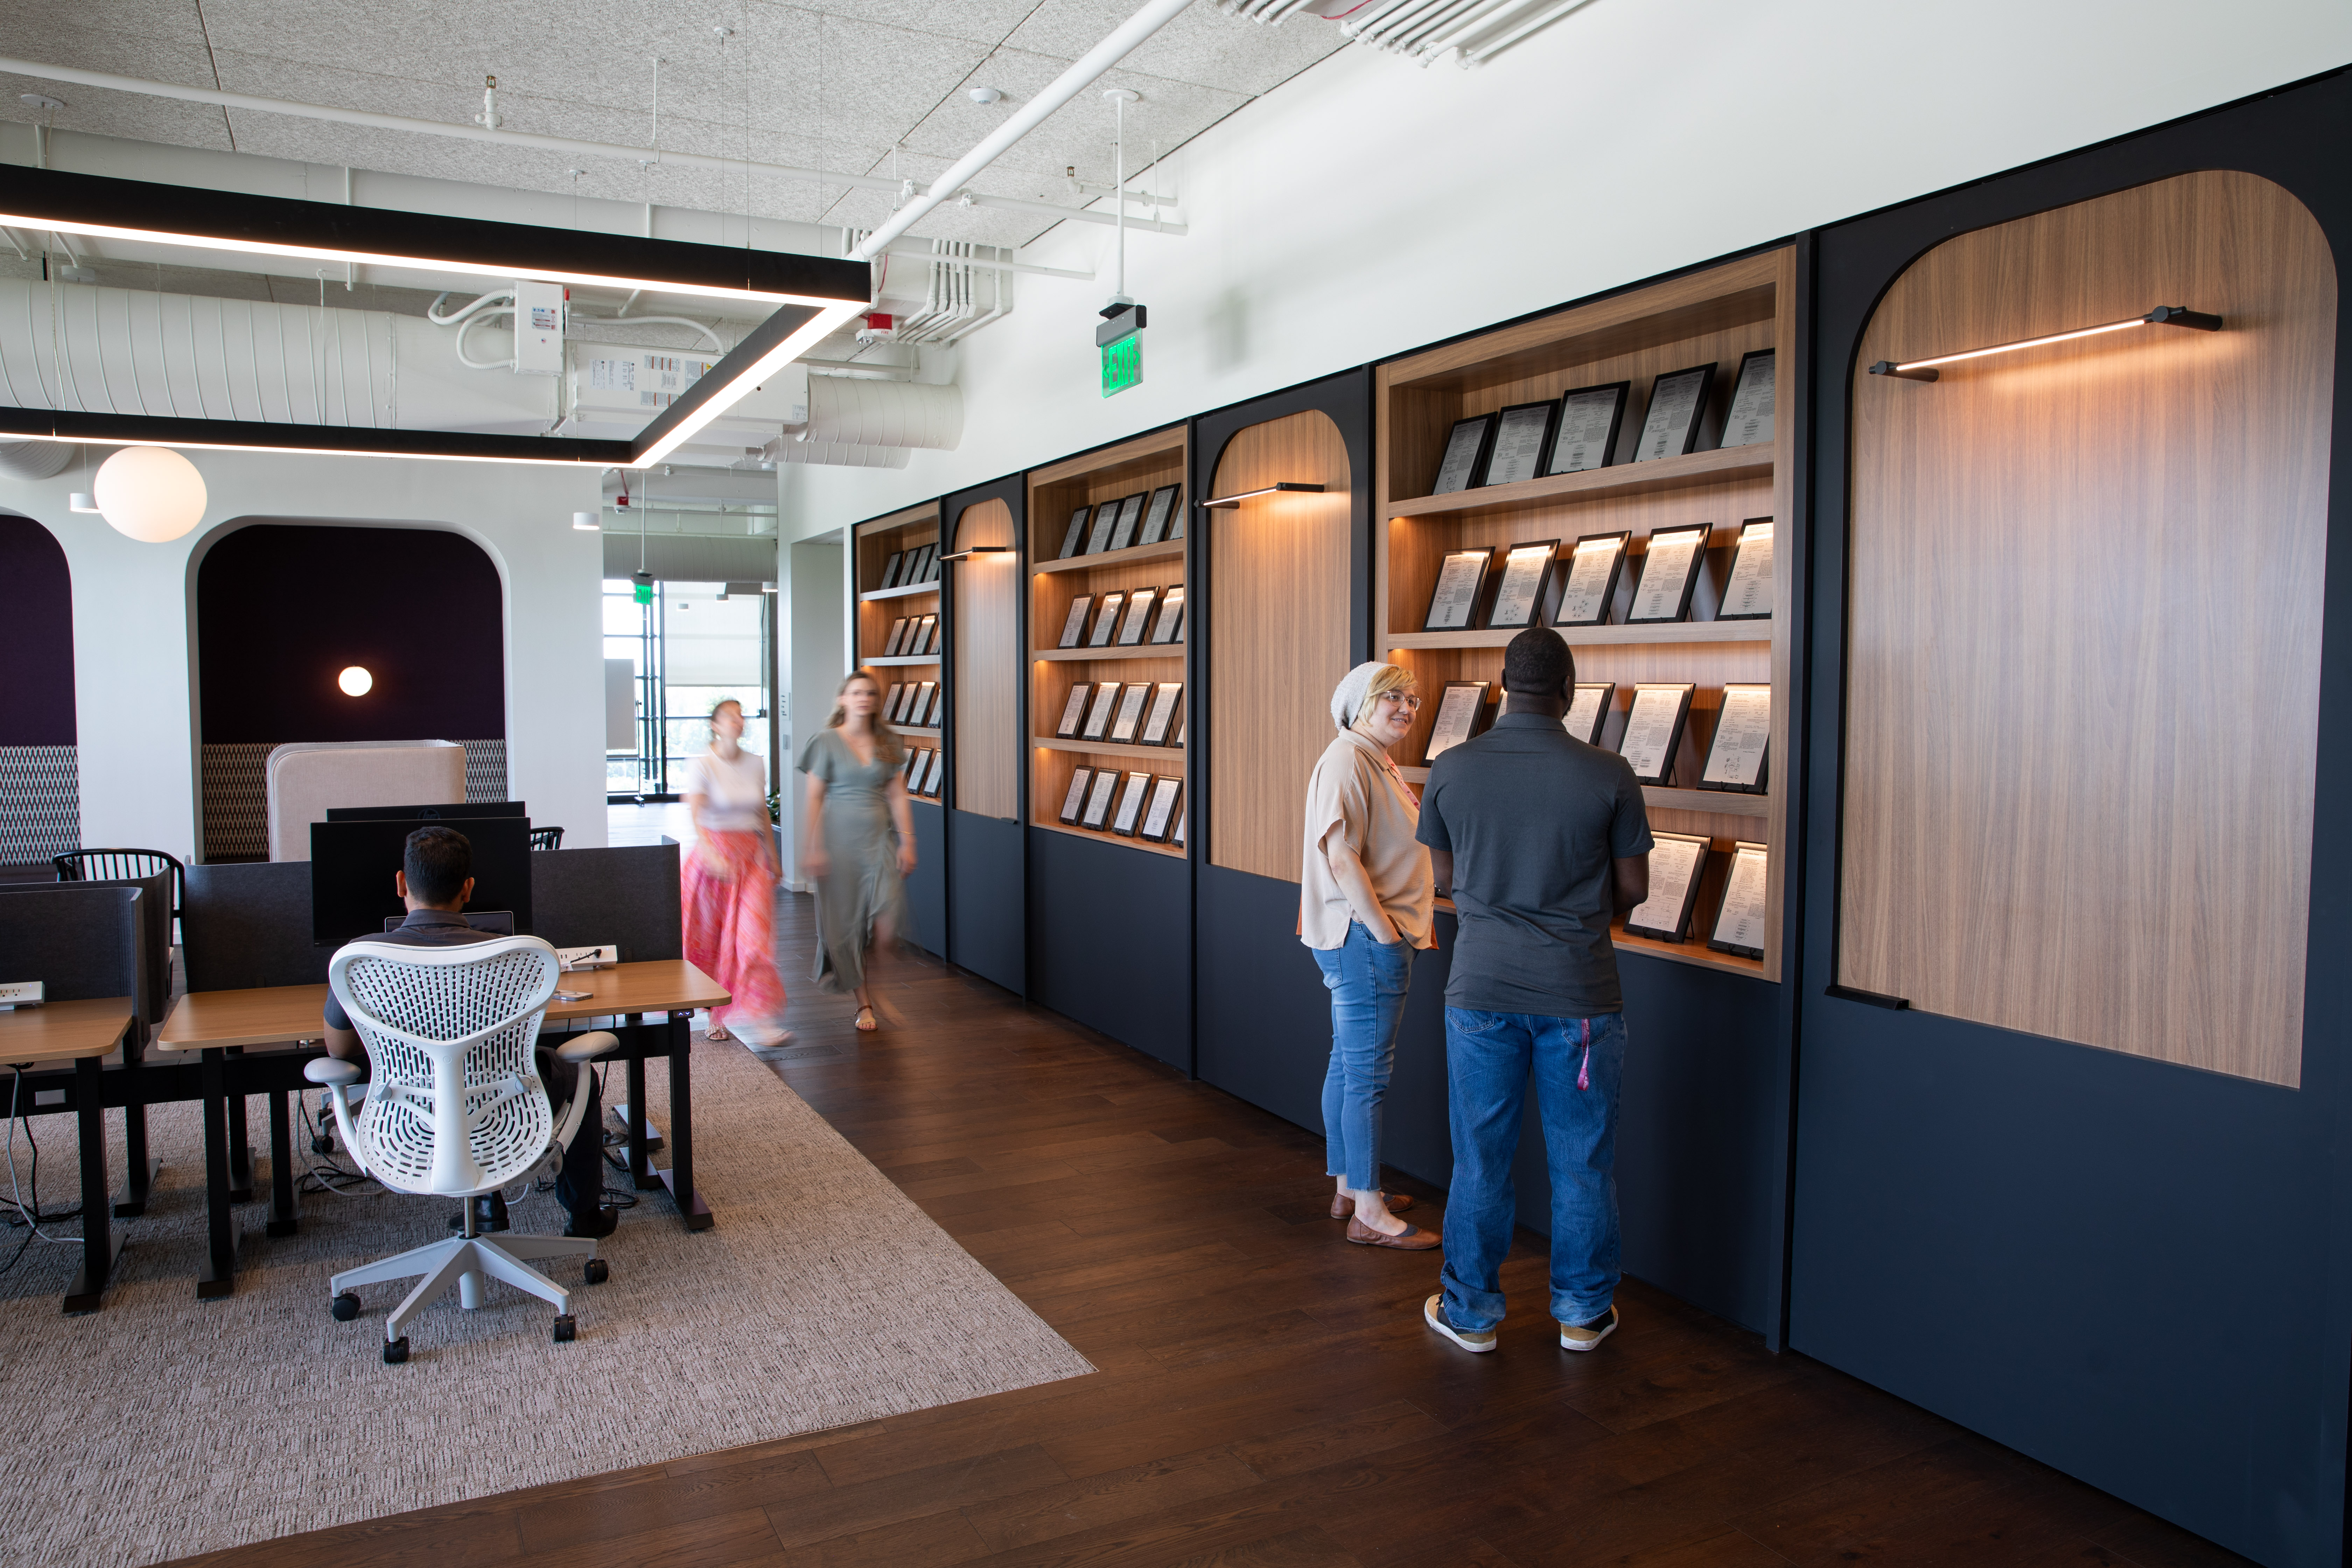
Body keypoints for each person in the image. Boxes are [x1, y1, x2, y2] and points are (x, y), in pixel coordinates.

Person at [1414, 627, 1651, 1354]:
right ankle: (1582, 1313)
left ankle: (1472, 1314)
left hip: (1479, 989)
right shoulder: (1610, 772)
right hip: (1580, 997)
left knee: (1480, 1155)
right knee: (1583, 1158)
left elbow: (1446, 881)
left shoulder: (1452, 768)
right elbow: (1634, 887)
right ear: (1568, 688)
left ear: (1501, 685)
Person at [320, 825, 617, 1239]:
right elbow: (521, 1037)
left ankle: (486, 1205)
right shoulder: (510, 956)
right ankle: (583, 1214)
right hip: (503, 1113)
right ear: (468, 889)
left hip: (407, 1120)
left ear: (401, 884)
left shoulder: (361, 961)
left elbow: (338, 1049)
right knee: (571, 1072)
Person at [1301, 661, 1439, 1251]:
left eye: (1412, 699)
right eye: (1394, 699)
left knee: (1348, 1065)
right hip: (1366, 940)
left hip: (1363, 937)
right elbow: (1340, 856)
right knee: (1368, 1077)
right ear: (1361, 703)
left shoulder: (1370, 758)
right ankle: (1371, 1212)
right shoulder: (1348, 759)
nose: (1407, 709)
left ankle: (1349, 1189)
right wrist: (1385, 934)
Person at [799, 670, 915, 1032]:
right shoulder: (825, 741)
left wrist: (909, 840)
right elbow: (814, 797)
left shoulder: (888, 741)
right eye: (856, 693)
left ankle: (878, 987)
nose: (864, 698)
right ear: (843, 699)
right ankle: (864, 1003)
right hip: (838, 844)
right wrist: (813, 847)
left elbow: (897, 794)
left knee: (886, 923)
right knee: (846, 929)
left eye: (870, 693)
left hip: (878, 840)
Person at [681, 697, 791, 1047]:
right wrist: (712, 854)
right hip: (715, 860)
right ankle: (716, 1011)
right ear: (715, 725)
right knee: (716, 940)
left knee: (753, 938)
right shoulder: (703, 764)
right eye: (730, 716)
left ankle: (762, 1020)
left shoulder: (755, 763)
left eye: (741, 715)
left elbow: (761, 812)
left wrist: (773, 857)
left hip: (751, 859)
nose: (738, 720)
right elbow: (696, 814)